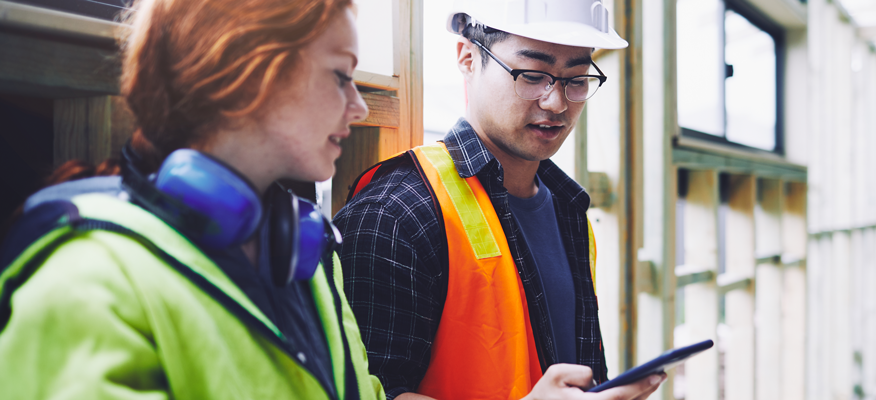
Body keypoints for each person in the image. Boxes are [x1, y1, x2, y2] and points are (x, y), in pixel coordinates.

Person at [0, 0, 384, 398]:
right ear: (248, 72)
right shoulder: (86, 282)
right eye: (340, 76)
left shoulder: (309, 259)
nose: (360, 107)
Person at [332, 0, 663, 399]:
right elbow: (364, 392)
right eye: (532, 75)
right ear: (468, 58)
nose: (556, 103)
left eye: (576, 79)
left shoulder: (568, 211)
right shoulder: (397, 212)